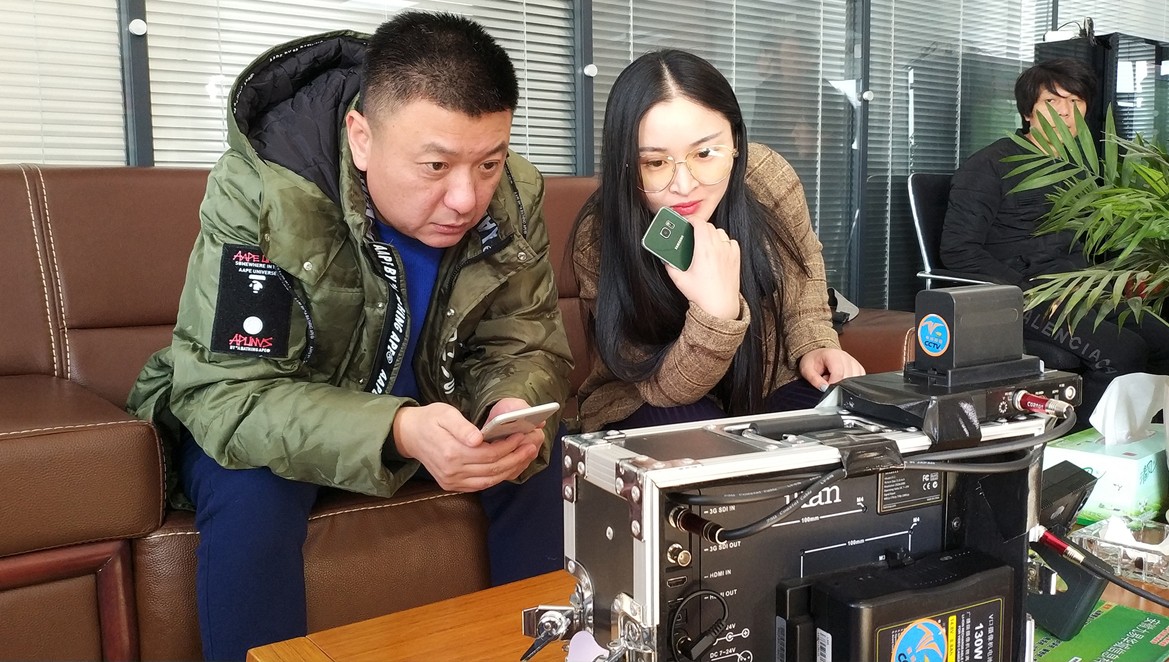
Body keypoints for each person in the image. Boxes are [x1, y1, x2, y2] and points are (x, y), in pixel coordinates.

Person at [126, 12, 572, 660]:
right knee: (252, 490)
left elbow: (522, 338)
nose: (465, 197)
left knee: (540, 461)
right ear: (361, 138)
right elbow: (232, 394)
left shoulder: (512, 193)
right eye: (435, 165)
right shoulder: (264, 191)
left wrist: (510, 406)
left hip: (433, 414)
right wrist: (397, 428)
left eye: (489, 162)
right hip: (274, 416)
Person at [570, 49, 864, 433]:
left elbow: (804, 276)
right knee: (698, 438)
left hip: (766, 382)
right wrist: (717, 314)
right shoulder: (599, 235)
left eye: (706, 153)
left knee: (842, 420)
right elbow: (662, 389)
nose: (684, 184)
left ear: (736, 140)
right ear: (625, 163)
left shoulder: (767, 178)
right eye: (655, 163)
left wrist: (817, 344)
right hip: (648, 398)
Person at [939, 57, 1169, 422]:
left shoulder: (1082, 169)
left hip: (1079, 290)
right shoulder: (989, 165)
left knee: (1163, 340)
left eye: (1075, 101)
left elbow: (1097, 243)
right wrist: (1029, 292)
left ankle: (1142, 440)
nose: (1065, 112)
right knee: (1121, 352)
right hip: (1025, 297)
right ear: (1027, 112)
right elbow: (958, 250)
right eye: (1052, 101)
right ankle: (1078, 446)